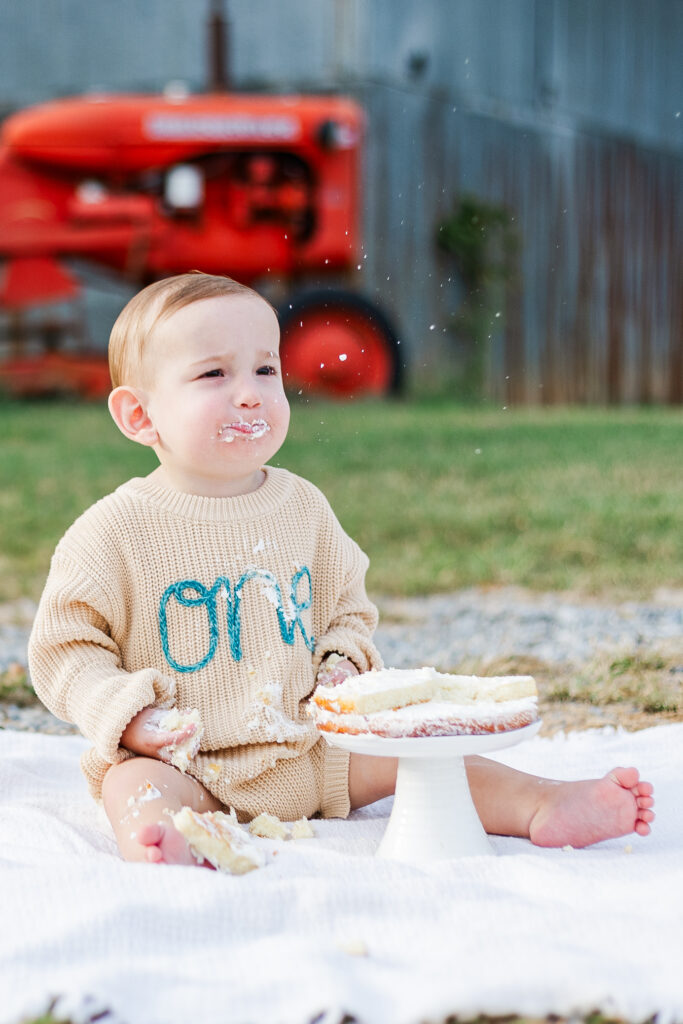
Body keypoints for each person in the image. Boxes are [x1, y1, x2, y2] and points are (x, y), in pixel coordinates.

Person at [28, 273, 654, 867]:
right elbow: (66, 650)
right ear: (140, 416)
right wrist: (130, 718)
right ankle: (163, 841)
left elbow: (347, 609)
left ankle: (544, 803)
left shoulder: (302, 507)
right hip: (188, 760)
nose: (249, 392)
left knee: (427, 755)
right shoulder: (113, 531)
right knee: (131, 786)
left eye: (265, 369)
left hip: (314, 751)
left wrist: (343, 662)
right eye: (214, 373)